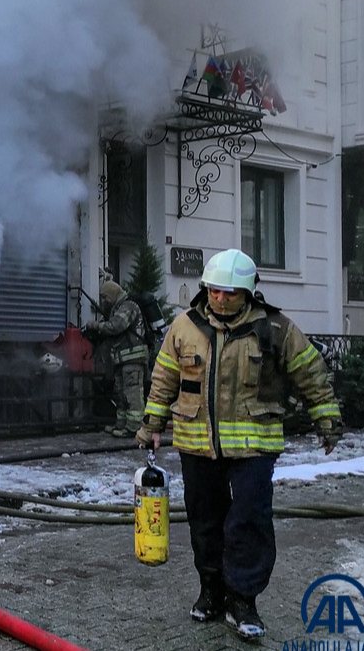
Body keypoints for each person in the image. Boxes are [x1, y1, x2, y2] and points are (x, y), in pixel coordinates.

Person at [135, 248, 342, 642]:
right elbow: (163, 380)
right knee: (205, 521)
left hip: (254, 446)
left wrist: (327, 419)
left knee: (248, 521)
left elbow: (311, 373)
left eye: (230, 292)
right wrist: (151, 426)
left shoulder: (275, 329)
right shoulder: (184, 327)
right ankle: (212, 592)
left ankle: (243, 600)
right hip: (197, 444)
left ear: (247, 292)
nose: (221, 298)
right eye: (215, 291)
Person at [84, 279, 149, 437]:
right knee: (120, 393)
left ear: (113, 294)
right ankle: (121, 424)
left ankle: (134, 428)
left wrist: (96, 326)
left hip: (133, 358)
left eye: (105, 297)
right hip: (122, 359)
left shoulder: (128, 306)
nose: (104, 301)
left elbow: (116, 326)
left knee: (132, 393)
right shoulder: (117, 308)